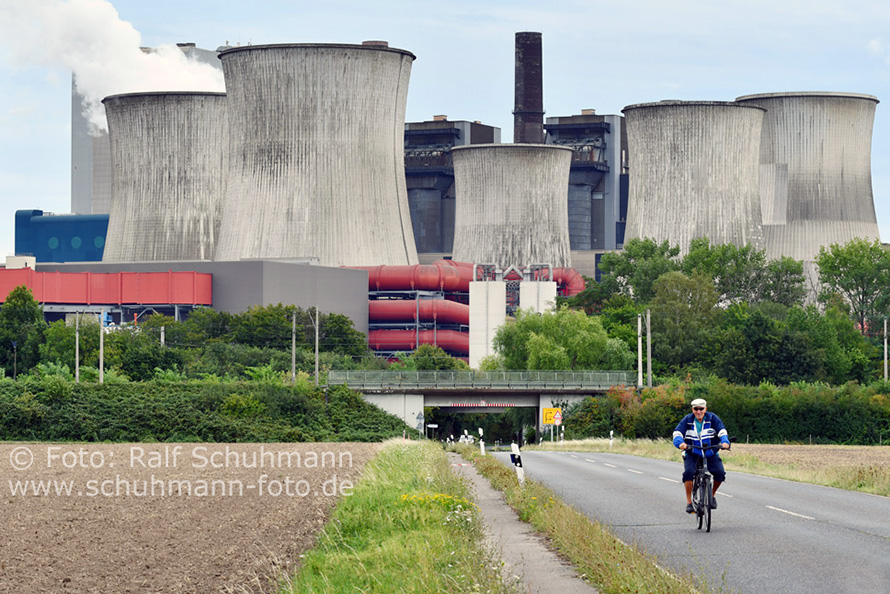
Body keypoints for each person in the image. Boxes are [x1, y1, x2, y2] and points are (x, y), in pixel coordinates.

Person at [672, 398, 730, 514]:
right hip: (692, 452)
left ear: (705, 409)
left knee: (720, 473)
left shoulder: (713, 419)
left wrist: (725, 442)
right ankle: (689, 502)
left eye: (701, 409)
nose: (699, 411)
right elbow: (677, 433)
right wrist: (681, 443)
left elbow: (722, 431)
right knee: (688, 472)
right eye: (696, 409)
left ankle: (711, 495)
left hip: (710, 451)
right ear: (692, 409)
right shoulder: (687, 420)